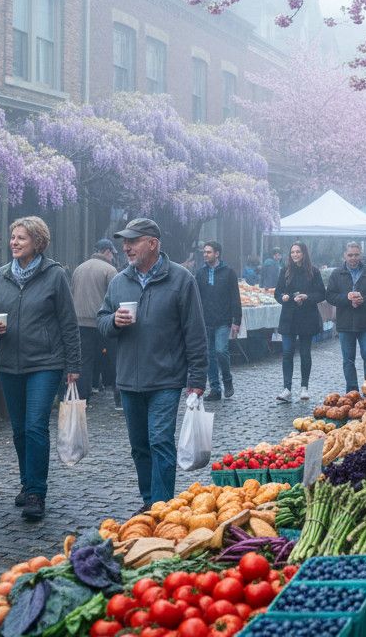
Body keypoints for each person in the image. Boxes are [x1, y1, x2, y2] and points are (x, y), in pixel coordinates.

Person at [98, 218, 207, 512]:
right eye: (124, 242)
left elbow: (195, 333)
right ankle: (149, 502)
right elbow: (101, 320)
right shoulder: (120, 281)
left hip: (166, 379)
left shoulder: (181, 279)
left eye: (132, 241)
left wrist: (197, 380)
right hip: (129, 381)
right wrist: (113, 322)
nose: (126, 247)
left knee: (160, 441)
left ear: (153, 244)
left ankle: (161, 506)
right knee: (140, 447)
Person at [0, 217, 81, 521]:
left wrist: (73, 365)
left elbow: (68, 321)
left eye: (21, 238)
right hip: (10, 362)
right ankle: (26, 482)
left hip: (45, 363)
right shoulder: (1, 276)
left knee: (36, 425)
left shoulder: (55, 275)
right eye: (13, 237)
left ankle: (37, 492)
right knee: (20, 428)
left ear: (37, 242)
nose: (14, 242)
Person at [326, 242, 366, 392]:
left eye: (356, 255)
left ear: (361, 254)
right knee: (348, 360)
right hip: (345, 323)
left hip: (365, 322)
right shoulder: (337, 274)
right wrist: (346, 298)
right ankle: (352, 392)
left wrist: (364, 300)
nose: (353, 258)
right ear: (345, 255)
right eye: (350, 255)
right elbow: (330, 296)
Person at [274, 242, 324, 402]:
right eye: (292, 252)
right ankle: (287, 388)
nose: (295, 254)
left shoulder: (313, 272)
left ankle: (304, 387)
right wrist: (283, 297)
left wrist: (307, 297)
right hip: (289, 317)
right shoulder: (285, 271)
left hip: (306, 317)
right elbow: (277, 292)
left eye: (298, 251)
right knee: (287, 353)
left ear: (304, 253)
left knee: (304, 353)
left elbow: (321, 293)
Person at [71, 239, 119, 403]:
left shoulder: (79, 268)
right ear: (107, 251)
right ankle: (119, 397)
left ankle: (83, 398)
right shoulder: (110, 270)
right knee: (114, 358)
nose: (113, 257)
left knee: (84, 360)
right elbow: (115, 298)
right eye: (112, 253)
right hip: (102, 322)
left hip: (80, 322)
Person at [195, 241, 242, 401]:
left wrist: (237, 321)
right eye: (204, 252)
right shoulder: (200, 273)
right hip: (205, 320)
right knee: (209, 356)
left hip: (223, 319)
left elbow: (235, 298)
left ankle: (227, 380)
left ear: (217, 254)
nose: (205, 254)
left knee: (221, 351)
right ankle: (215, 388)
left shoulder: (228, 273)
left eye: (208, 252)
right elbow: (197, 297)